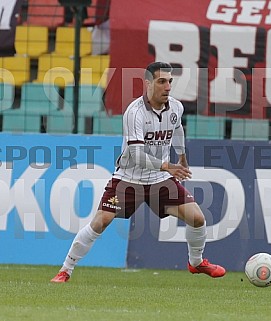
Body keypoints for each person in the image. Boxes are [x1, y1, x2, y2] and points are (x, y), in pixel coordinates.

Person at [51, 62, 226, 283]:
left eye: (170, 81)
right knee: (101, 221)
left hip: (159, 180)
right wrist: (166, 166)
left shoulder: (176, 107)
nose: (168, 87)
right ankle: (66, 269)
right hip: (128, 179)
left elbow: (178, 128)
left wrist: (181, 156)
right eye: (162, 81)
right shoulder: (134, 113)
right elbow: (136, 154)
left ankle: (196, 262)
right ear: (148, 84)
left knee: (198, 218)